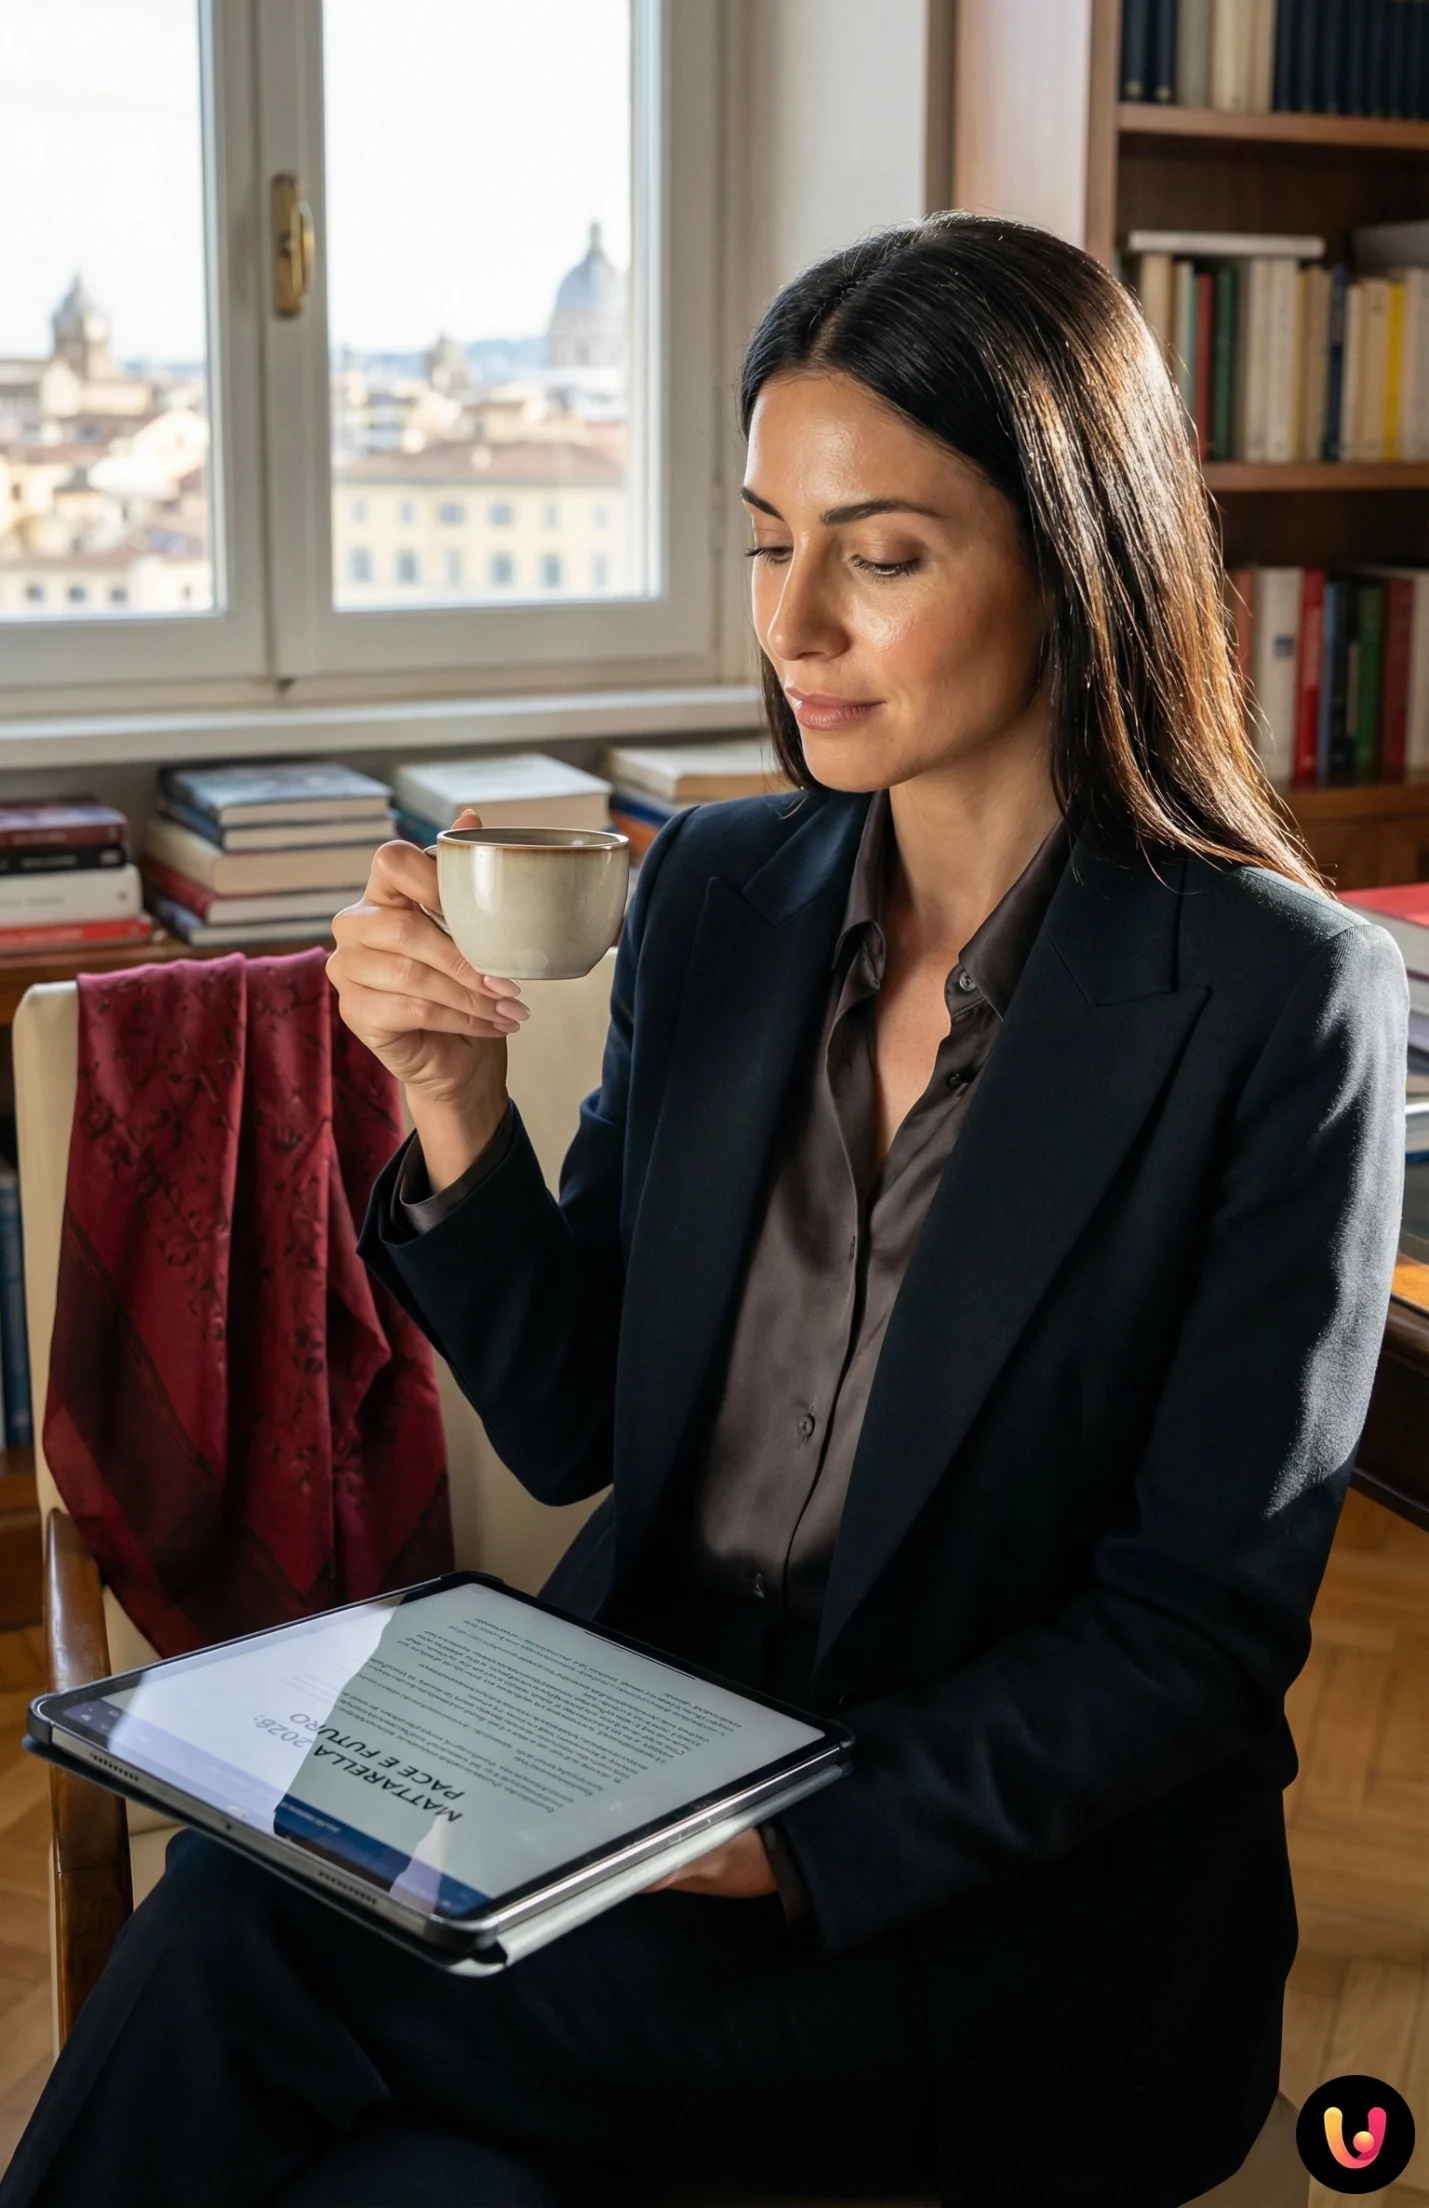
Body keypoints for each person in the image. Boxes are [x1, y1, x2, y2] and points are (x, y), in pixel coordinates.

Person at [4, 214, 1405, 2208]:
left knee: (245, 1931)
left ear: (1073, 558)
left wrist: (782, 1832)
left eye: (880, 554)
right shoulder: (720, 897)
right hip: (629, 1775)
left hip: (991, 1917)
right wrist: (456, 1108)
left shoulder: (1278, 999)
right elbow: (576, 1420)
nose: (793, 622)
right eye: (767, 542)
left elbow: (1192, 1634)